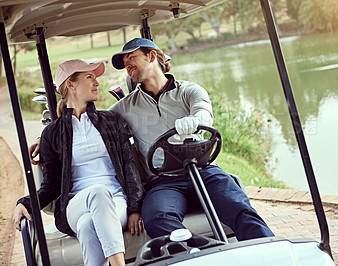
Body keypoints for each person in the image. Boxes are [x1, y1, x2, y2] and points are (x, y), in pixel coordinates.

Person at [108, 38, 275, 240]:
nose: (127, 65)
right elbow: (97, 122)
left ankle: (272, 253)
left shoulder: (189, 91)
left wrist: (195, 121)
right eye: (124, 62)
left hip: (204, 171)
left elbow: (204, 113)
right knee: (157, 219)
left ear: (151, 56)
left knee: (240, 208)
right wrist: (71, 106)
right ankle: (208, 254)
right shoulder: (125, 106)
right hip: (164, 183)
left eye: (131, 57)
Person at [14, 59, 144, 266]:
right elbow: (51, 185)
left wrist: (135, 208)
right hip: (76, 204)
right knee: (97, 193)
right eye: (89, 77)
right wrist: (26, 202)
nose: (97, 83)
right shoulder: (52, 133)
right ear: (70, 85)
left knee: (86, 225)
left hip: (116, 200)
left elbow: (130, 167)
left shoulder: (111, 121)